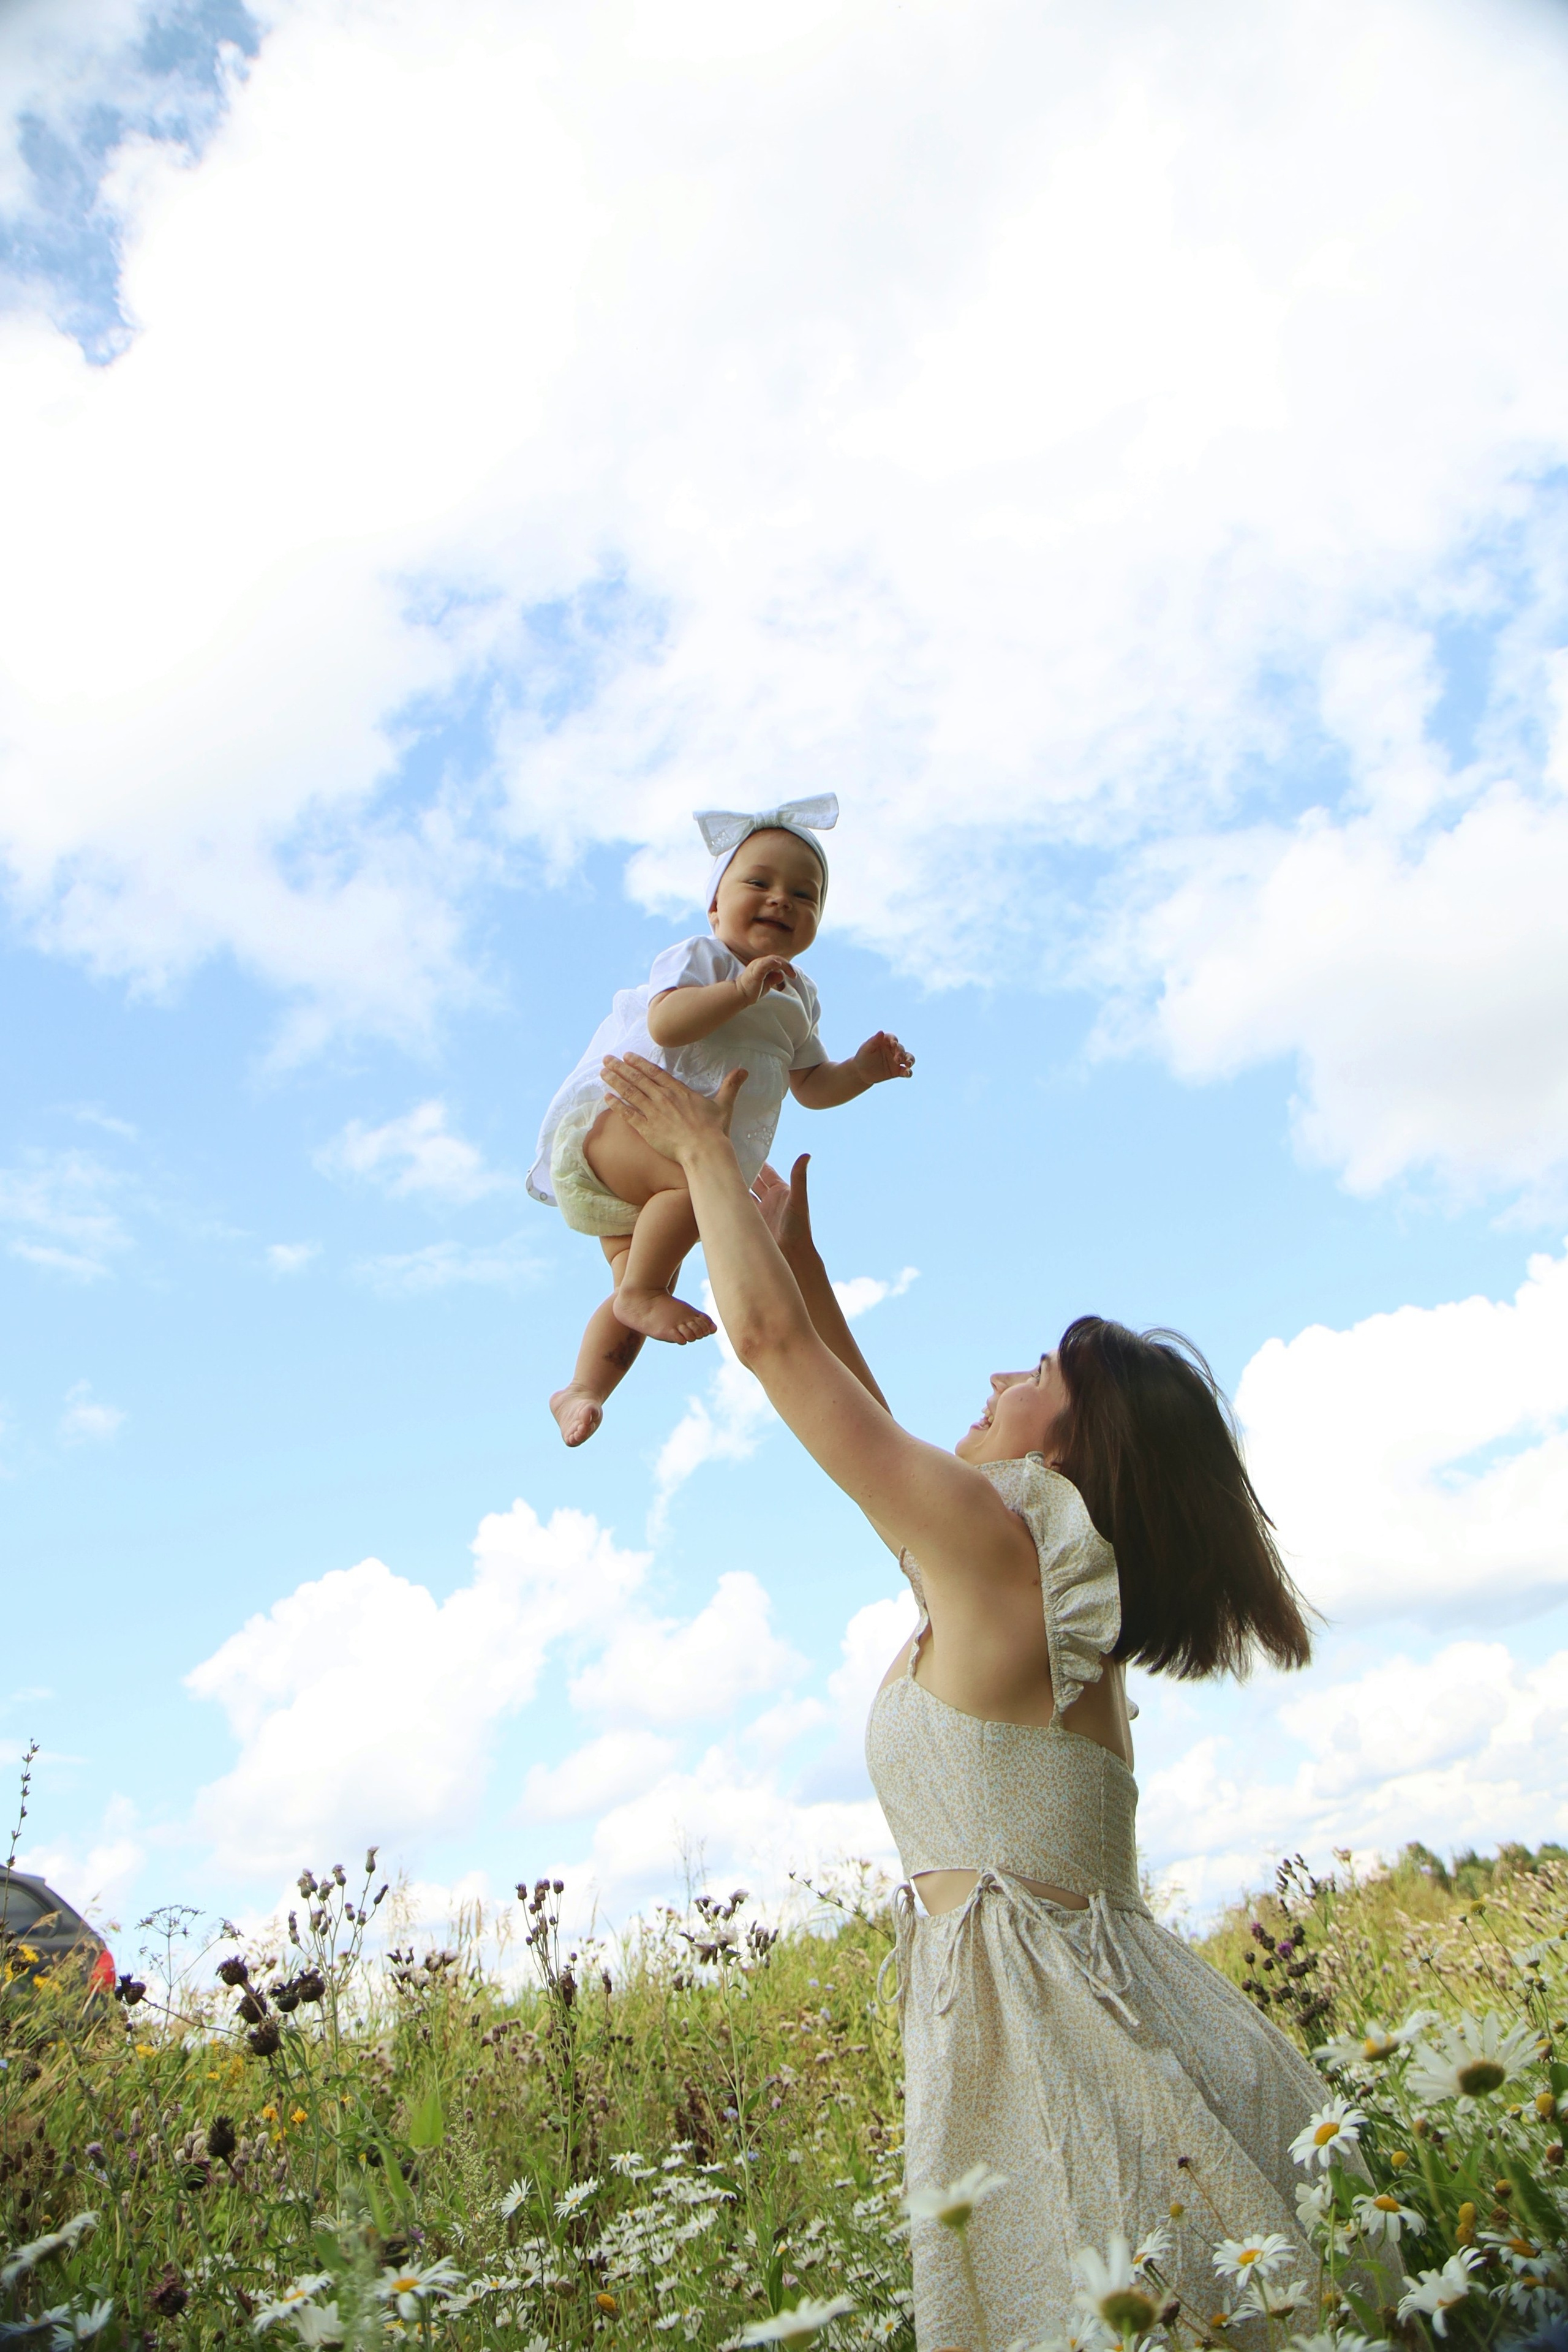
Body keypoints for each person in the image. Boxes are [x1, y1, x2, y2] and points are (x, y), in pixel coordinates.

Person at [598, 1052, 1331, 2352]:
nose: (998, 1379)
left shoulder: (1008, 1561)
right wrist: (797, 1256)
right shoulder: (1016, 1574)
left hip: (1071, 2068)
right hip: (1069, 2034)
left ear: (1070, 1443)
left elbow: (773, 1353)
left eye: (1034, 1372)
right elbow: (859, 1421)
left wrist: (702, 1150)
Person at [529, 795, 913, 1446]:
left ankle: (583, 1389)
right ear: (715, 906)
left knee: (645, 1279)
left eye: (805, 894)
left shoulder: (801, 997)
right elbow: (665, 1023)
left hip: (660, 1185)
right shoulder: (704, 958)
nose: (782, 899)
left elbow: (811, 1087)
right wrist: (737, 991)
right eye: (759, 883)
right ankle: (639, 1293)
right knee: (694, 1200)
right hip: (627, 1135)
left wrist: (860, 1071)